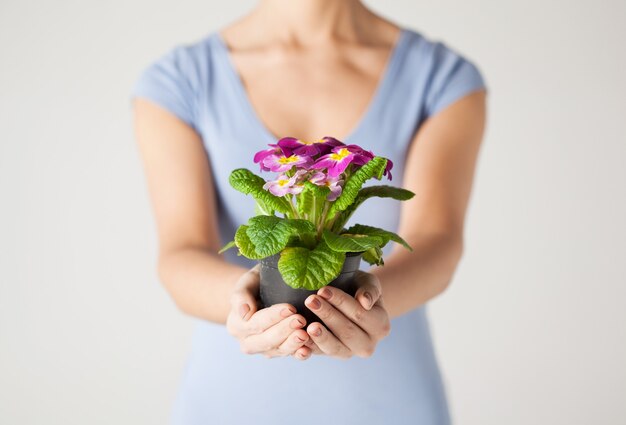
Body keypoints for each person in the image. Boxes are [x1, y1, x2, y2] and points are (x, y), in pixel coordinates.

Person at [130, 0, 487, 423]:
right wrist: (246, 303)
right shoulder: (179, 81)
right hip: (231, 403)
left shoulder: (442, 77)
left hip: (389, 405)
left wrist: (367, 302)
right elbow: (181, 253)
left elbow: (436, 242)